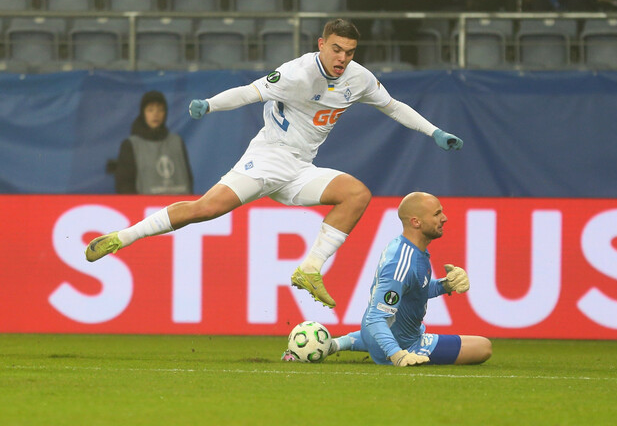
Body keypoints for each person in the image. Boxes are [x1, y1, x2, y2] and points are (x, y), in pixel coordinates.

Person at [85, 19, 463, 309]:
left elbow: (393, 106)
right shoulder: (296, 73)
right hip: (268, 158)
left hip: (301, 167)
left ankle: (310, 269)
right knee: (206, 209)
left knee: (356, 194)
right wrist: (210, 105)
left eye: (349, 52)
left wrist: (434, 132)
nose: (342, 58)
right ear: (321, 44)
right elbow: (248, 93)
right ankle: (123, 237)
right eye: (336, 49)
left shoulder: (358, 78)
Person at [283, 192, 492, 366]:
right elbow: (375, 318)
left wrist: (445, 285)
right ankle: (388, 350)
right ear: (416, 222)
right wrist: (397, 354)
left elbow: (414, 290)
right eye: (437, 214)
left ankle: (337, 344)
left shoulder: (408, 249)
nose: (444, 218)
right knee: (484, 347)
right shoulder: (402, 262)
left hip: (376, 334)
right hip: (402, 343)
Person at [115, 90, 194, 195]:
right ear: (143, 113)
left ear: (165, 113)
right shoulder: (131, 145)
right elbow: (125, 185)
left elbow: (187, 179)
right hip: (145, 205)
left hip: (179, 203)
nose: (155, 114)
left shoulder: (177, 142)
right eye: (150, 110)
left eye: (160, 109)